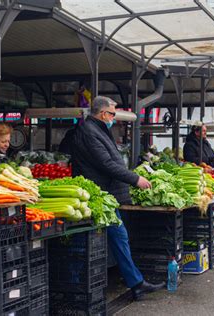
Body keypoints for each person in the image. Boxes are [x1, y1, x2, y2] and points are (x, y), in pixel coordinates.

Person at [71, 96, 164, 300]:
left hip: (104, 194)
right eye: (113, 113)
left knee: (116, 237)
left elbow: (110, 162)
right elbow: (106, 164)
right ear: (104, 113)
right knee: (90, 240)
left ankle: (135, 283)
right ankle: (75, 286)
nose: (115, 118)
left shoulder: (98, 130)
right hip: (97, 194)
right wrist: (135, 178)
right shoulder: (89, 132)